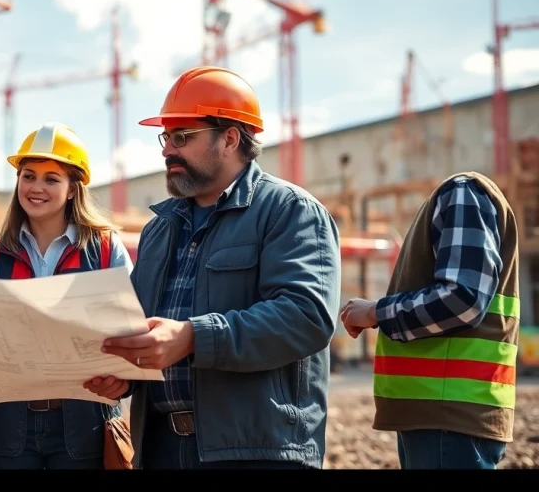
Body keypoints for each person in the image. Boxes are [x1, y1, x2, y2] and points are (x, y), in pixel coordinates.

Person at [100, 66, 341, 470]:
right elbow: (142, 327)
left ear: (230, 138)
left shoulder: (289, 211)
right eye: (166, 137)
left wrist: (194, 336)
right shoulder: (160, 229)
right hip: (158, 447)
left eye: (182, 137)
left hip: (256, 451)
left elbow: (306, 316)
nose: (166, 150)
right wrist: (122, 372)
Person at [0, 122, 134, 470]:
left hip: (86, 422)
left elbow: (133, 330)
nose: (36, 187)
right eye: (28, 176)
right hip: (7, 426)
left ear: (73, 189)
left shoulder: (105, 250)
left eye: (51, 178)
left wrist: (125, 382)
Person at [340, 172, 519, 470]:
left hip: (448, 416)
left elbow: (464, 299)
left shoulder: (462, 192)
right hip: (443, 416)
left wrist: (376, 312)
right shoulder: (454, 198)